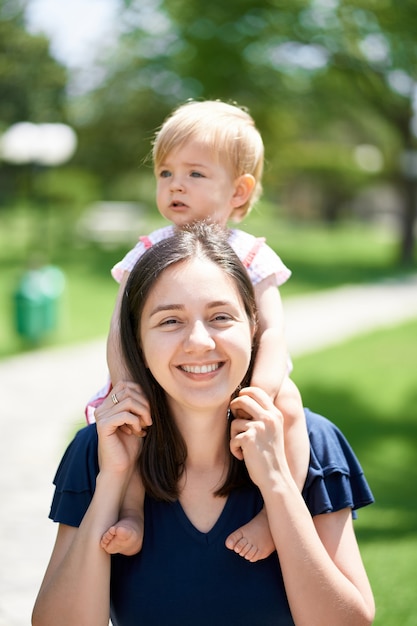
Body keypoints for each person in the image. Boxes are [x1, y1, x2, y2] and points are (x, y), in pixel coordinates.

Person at [32, 223, 375, 626]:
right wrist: (113, 480)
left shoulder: (312, 441)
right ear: (138, 343)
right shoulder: (99, 449)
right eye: (170, 321)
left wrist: (279, 484)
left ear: (253, 329)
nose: (199, 342)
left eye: (220, 317)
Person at [87, 99, 310, 561]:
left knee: (289, 404)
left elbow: (271, 332)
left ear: (239, 191)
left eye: (195, 174)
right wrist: (127, 382)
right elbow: (119, 328)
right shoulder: (149, 251)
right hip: (168, 374)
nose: (175, 186)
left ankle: (275, 514)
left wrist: (263, 392)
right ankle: (133, 512)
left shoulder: (251, 255)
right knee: (136, 419)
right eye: (165, 173)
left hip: (241, 376)